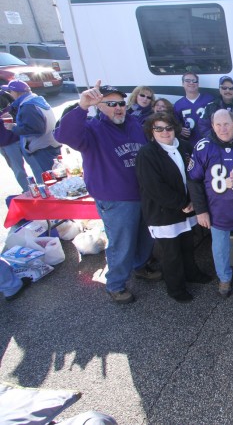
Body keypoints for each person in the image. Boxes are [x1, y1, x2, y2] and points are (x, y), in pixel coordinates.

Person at [54, 80, 159, 304]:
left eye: (120, 103)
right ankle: (116, 285)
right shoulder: (92, 129)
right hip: (116, 199)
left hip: (142, 194)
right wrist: (81, 107)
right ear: (99, 106)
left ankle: (140, 267)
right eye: (110, 103)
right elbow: (63, 135)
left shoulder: (133, 124)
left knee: (144, 237)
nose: (118, 107)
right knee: (122, 243)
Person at [135, 112, 212, 303]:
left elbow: (195, 176)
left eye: (168, 128)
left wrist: (194, 202)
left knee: (187, 245)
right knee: (171, 253)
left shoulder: (185, 147)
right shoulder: (147, 153)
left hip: (187, 209)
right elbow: (155, 187)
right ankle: (176, 288)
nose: (165, 132)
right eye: (158, 128)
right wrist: (182, 204)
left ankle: (192, 274)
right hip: (164, 213)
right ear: (151, 131)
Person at [188, 109, 233, 297]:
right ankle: (224, 278)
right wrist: (201, 210)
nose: (222, 128)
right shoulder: (203, 147)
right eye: (218, 124)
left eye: (226, 124)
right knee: (219, 249)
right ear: (212, 126)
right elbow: (193, 180)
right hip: (216, 210)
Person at [1, 80, 61, 179]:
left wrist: (13, 127)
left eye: (10, 92)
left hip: (42, 147)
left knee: (52, 178)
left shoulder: (28, 106)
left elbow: (35, 129)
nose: (9, 94)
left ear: (16, 93)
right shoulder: (35, 99)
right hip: (49, 144)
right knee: (56, 175)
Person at [173, 72, 215, 144]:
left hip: (210, 141)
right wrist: (180, 130)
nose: (191, 83)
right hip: (189, 144)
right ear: (183, 84)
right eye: (188, 80)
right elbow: (175, 124)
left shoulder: (209, 99)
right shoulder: (178, 105)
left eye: (194, 81)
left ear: (198, 84)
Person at [0, 109, 28, 191]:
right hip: (6, 143)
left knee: (36, 165)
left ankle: (46, 190)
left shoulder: (4, 96)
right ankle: (29, 192)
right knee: (19, 170)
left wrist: (13, 114)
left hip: (22, 136)